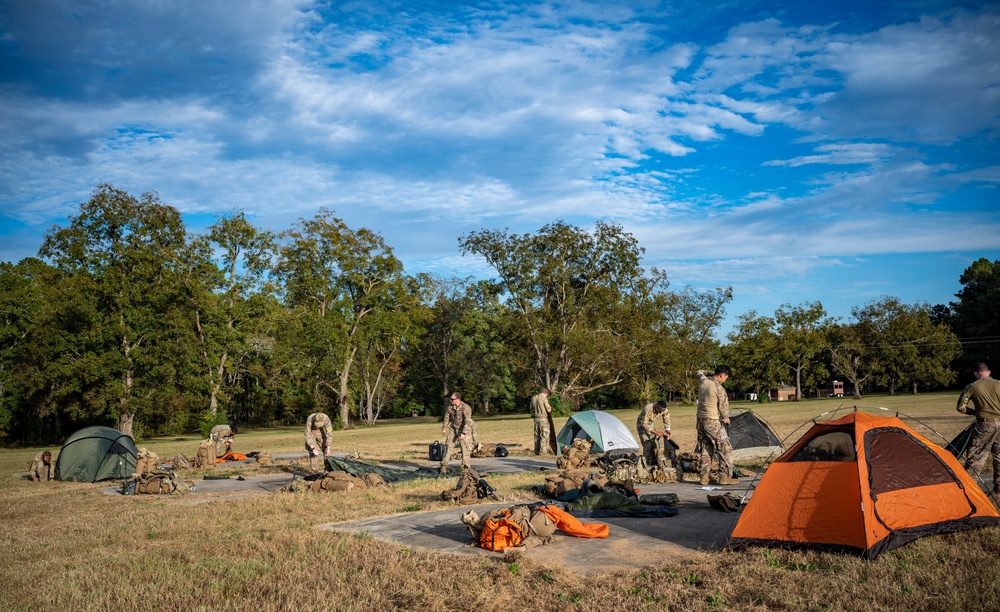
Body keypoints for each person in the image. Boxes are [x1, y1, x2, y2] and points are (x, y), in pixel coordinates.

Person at [956, 362, 1000, 495]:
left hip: (984, 425)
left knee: (976, 456)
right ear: (989, 372)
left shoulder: (972, 386)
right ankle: (998, 487)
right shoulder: (999, 383)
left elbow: (960, 408)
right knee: (999, 455)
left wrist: (974, 412)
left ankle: (969, 490)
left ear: (976, 373)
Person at [696, 365, 736, 486]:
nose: (724, 381)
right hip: (712, 421)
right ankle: (725, 476)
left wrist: (712, 373)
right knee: (725, 448)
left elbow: (699, 372)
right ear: (722, 375)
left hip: (700, 421)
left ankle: (704, 477)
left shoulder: (703, 381)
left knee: (706, 447)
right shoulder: (718, 388)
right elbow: (723, 407)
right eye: (725, 378)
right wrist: (726, 418)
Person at [440, 392, 473, 473]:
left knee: (466, 450)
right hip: (454, 429)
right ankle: (443, 466)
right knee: (448, 446)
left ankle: (465, 469)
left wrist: (463, 433)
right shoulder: (450, 407)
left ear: (457, 399)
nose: (451, 400)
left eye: (452, 399)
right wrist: (444, 428)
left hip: (464, 430)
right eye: (450, 399)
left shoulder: (466, 408)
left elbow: (468, 421)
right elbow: (447, 417)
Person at [637, 400, 671, 469]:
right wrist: (656, 432)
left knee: (654, 443)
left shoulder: (664, 410)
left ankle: (655, 461)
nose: (661, 412)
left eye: (662, 410)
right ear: (656, 406)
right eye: (660, 410)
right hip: (642, 424)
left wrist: (667, 430)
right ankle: (647, 464)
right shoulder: (648, 409)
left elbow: (666, 418)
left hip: (650, 423)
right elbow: (644, 424)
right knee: (647, 443)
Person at [531, 388, 553, 455]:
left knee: (537, 435)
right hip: (543, 419)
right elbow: (548, 409)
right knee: (544, 435)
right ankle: (543, 451)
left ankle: (536, 451)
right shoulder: (544, 399)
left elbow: (531, 408)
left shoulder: (533, 398)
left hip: (536, 419)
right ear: (546, 393)